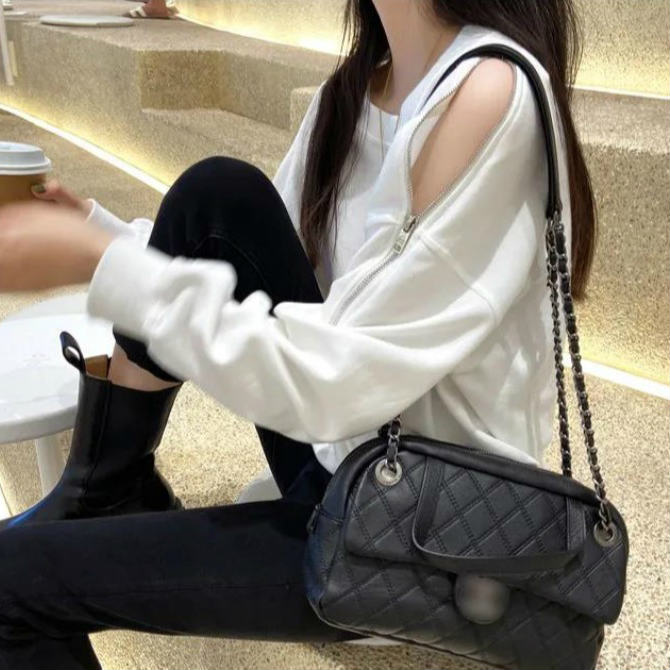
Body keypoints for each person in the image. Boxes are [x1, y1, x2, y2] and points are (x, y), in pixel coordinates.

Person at [0, 0, 597, 668]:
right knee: (217, 195)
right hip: (347, 462)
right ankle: (110, 487)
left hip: (423, 529)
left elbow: (336, 385)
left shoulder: (489, 94)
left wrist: (98, 262)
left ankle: (103, 497)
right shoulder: (357, 89)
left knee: (10, 582)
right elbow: (252, 278)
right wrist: (94, 234)